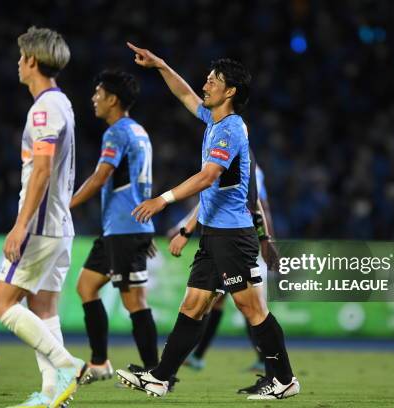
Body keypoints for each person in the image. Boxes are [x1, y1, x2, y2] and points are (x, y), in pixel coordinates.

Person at [116, 42, 299, 400]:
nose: (206, 83)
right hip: (215, 235)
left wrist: (162, 199)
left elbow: (206, 177)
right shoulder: (213, 121)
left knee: (253, 309)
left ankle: (285, 379)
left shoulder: (230, 129)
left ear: (230, 91)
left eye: (214, 79)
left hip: (233, 237)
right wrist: (160, 65)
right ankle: (161, 377)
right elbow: (185, 94)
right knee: (193, 305)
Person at [0, 26, 84, 408]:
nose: (17, 62)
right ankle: (52, 397)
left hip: (41, 226)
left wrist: (20, 225)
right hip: (59, 226)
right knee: (43, 309)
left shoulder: (44, 108)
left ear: (31, 60)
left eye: (20, 56)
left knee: (2, 305)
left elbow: (43, 170)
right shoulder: (62, 103)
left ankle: (68, 364)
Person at [70, 69, 160, 384]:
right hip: (122, 227)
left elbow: (101, 176)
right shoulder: (138, 131)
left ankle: (156, 373)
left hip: (125, 227)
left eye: (98, 93)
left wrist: (65, 204)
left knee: (133, 299)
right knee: (86, 286)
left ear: (112, 99)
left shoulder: (117, 133)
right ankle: (100, 363)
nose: (94, 98)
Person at [177, 162, 281, 395]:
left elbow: (259, 203)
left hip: (238, 240)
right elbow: (209, 199)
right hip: (226, 238)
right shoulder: (230, 161)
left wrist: (267, 240)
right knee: (226, 302)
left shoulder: (248, 166)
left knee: (252, 306)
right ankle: (199, 356)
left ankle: (272, 369)